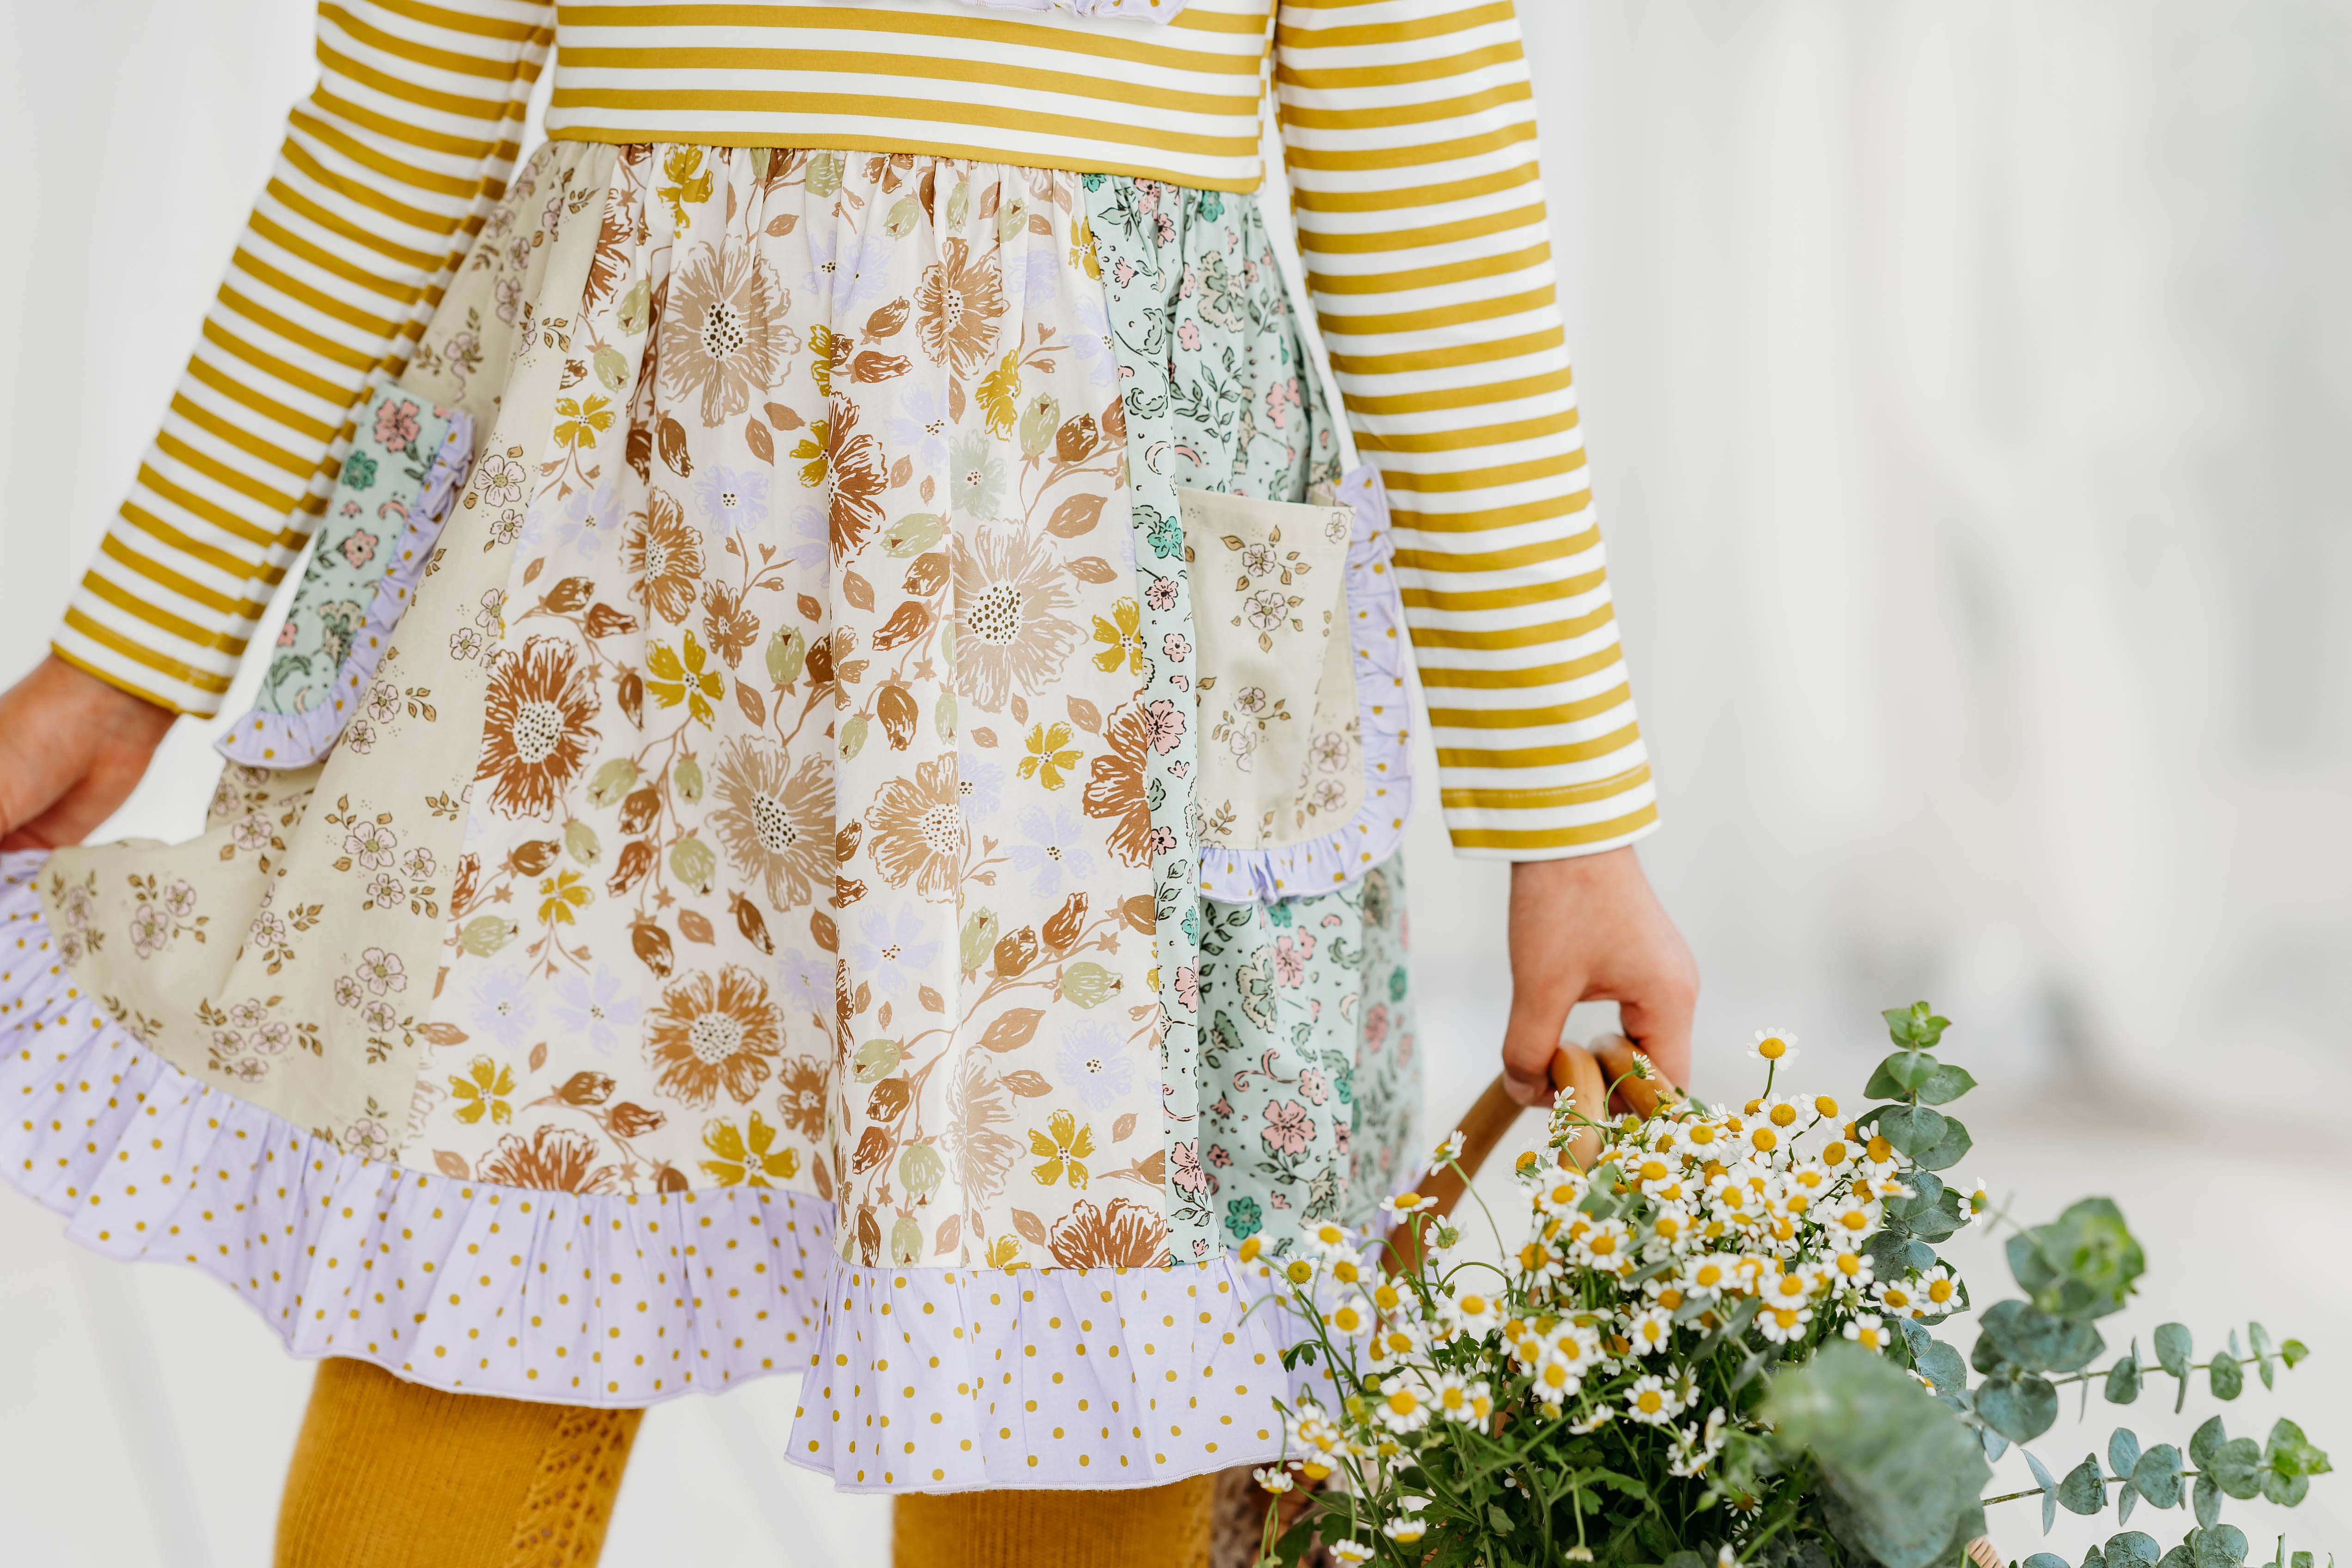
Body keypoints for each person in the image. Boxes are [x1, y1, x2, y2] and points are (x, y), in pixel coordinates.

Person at [0, 1, 1696, 1563]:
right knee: (475, 1279)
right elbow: (393, 129)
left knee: (1086, 1361)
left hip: (1093, 656)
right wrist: (128, 657)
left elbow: (1434, 208)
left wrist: (1573, 814)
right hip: (605, 617)